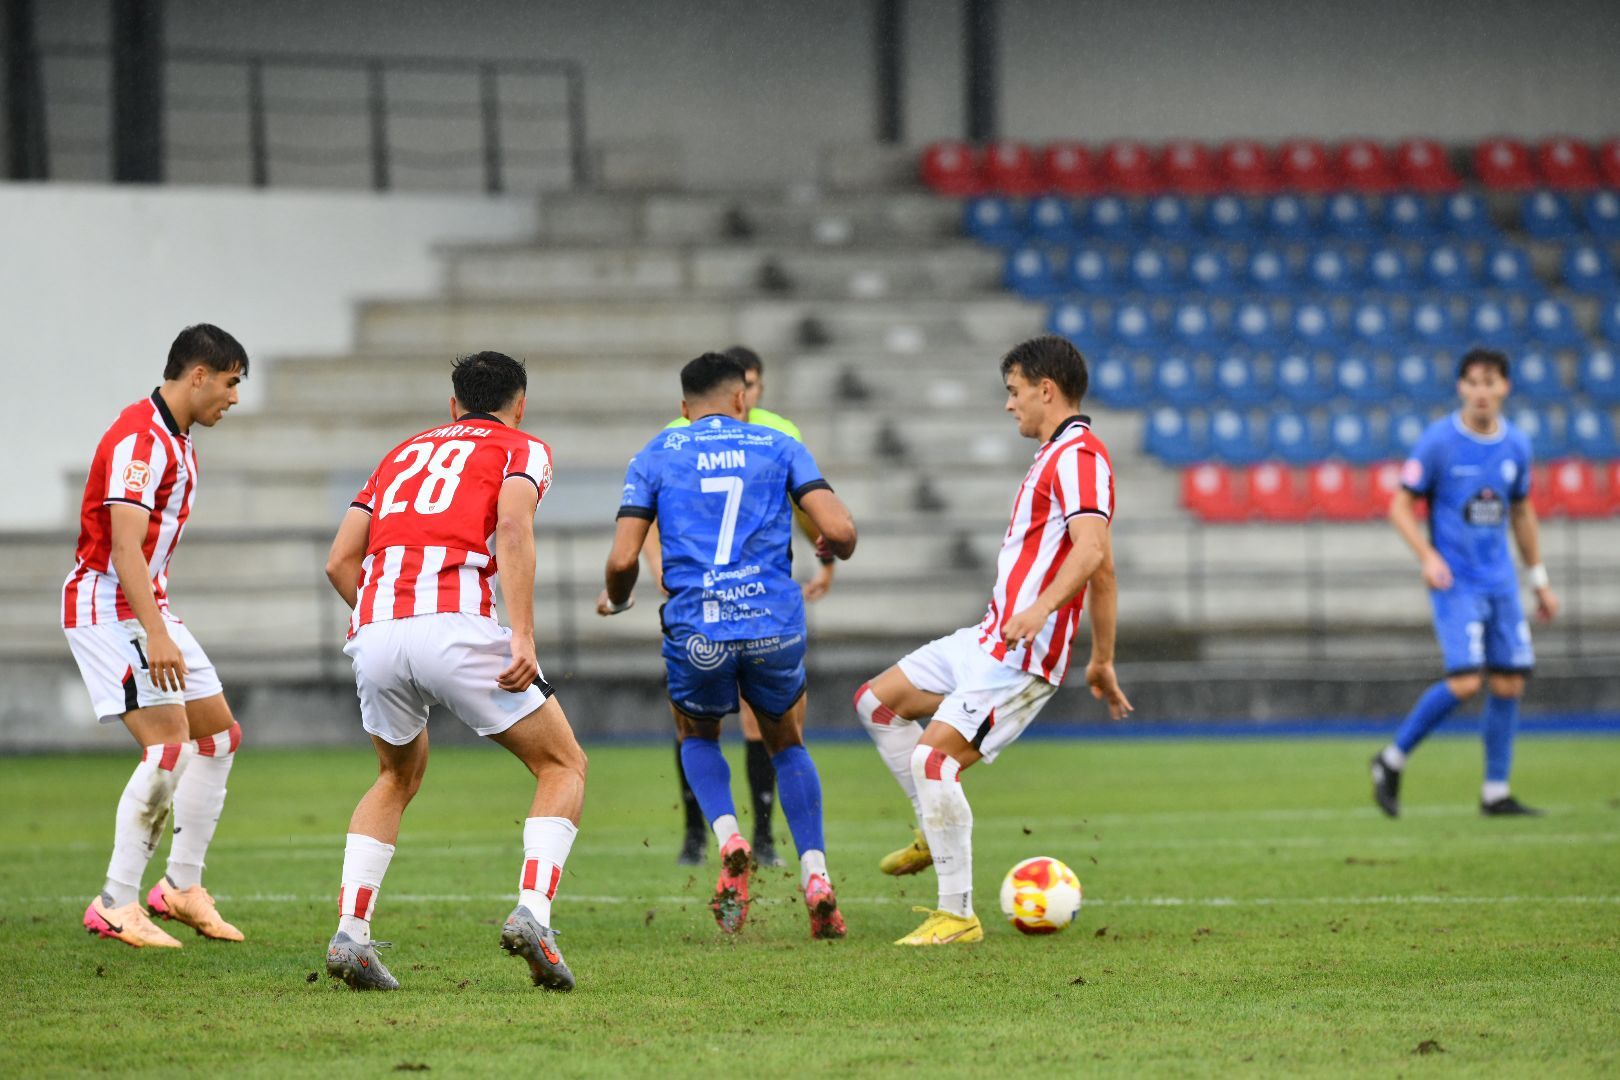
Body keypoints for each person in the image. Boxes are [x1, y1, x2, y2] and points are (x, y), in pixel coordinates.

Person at [852, 335, 1132, 947]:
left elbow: (1091, 552)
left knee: (934, 759)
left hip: (1022, 655)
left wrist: (1040, 609)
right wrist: (1102, 659)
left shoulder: (1080, 457)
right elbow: (1102, 568)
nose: (1009, 405)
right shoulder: (1055, 454)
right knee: (876, 702)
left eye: (1014, 391)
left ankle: (957, 915)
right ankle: (935, 825)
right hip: (989, 638)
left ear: (1046, 390)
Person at [322, 351, 588, 991]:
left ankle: (350, 935)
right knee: (562, 765)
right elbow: (513, 528)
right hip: (457, 626)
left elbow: (338, 562)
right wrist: (521, 633)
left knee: (394, 777)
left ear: (453, 405)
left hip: (377, 628)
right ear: (518, 404)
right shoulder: (522, 448)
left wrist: (389, 622)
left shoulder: (399, 455)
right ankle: (534, 914)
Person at [598, 351, 856, 939]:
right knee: (787, 742)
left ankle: (728, 837)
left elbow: (621, 560)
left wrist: (616, 598)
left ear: (683, 409)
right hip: (773, 623)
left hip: (698, 629)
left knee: (696, 733)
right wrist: (828, 553)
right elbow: (839, 532)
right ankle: (816, 875)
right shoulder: (779, 444)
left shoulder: (656, 455)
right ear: (743, 398)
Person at [65, 324, 250, 949]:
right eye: (230, 383)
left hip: (145, 609)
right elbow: (121, 548)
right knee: (169, 748)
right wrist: (154, 631)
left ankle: (178, 887)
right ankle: (115, 902)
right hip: (106, 608)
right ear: (198, 376)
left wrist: (157, 623)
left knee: (219, 736)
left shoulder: (177, 438)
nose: (233, 398)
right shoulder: (139, 442)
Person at [646, 345, 835, 867]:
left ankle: (758, 836)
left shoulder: (766, 431)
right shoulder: (765, 437)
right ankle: (700, 836)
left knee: (714, 726)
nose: (746, 394)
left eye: (753, 384)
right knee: (756, 729)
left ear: (759, 388)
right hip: (754, 608)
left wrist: (824, 561)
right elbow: (828, 513)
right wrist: (660, 570)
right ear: (735, 391)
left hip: (717, 610)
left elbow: (803, 508)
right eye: (742, 385)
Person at [1372, 348, 1558, 817]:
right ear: (1460, 387)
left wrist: (1539, 579)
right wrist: (1428, 555)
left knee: (1510, 682)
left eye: (1489, 382)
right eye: (1472, 382)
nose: (1481, 391)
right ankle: (1392, 759)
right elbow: (1399, 506)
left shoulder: (1516, 444)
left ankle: (1495, 791)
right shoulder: (1438, 442)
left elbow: (1521, 512)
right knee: (1465, 682)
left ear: (1504, 388)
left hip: (1501, 583)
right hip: (1457, 582)